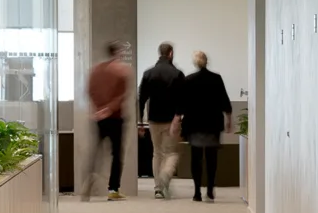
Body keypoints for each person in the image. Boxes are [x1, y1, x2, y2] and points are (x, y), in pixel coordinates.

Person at [175, 51, 233, 202]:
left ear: (195, 63)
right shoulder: (216, 78)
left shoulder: (189, 80)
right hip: (212, 124)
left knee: (196, 158)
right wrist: (229, 119)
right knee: (211, 158)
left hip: (194, 125)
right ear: (207, 62)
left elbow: (182, 103)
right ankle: (210, 190)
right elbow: (224, 100)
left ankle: (196, 192)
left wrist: (176, 120)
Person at [83, 41, 132, 201]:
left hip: (98, 118)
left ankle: (89, 177)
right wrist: (109, 108)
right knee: (116, 154)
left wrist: (98, 108)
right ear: (117, 53)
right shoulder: (122, 71)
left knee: (96, 151)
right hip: (115, 117)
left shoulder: (96, 70)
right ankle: (113, 189)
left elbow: (89, 90)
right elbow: (122, 95)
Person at [137, 42, 186, 200]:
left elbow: (141, 99)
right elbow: (183, 99)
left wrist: (140, 121)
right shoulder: (177, 74)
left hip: (153, 120)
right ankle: (165, 176)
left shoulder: (148, 73)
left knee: (157, 153)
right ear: (170, 53)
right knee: (171, 153)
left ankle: (158, 188)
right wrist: (177, 117)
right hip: (171, 120)